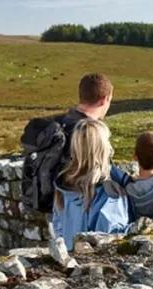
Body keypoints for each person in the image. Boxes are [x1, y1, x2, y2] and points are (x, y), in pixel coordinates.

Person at [20, 73, 114, 214]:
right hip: (77, 208)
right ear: (104, 99)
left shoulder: (57, 125)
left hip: (52, 204)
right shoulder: (89, 132)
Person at [51, 119, 134, 246]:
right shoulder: (110, 192)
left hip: (70, 257)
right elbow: (112, 236)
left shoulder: (63, 183)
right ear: (102, 147)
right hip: (97, 263)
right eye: (107, 140)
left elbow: (58, 227)